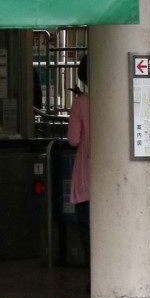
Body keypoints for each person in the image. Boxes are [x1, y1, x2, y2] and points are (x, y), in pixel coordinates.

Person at [65, 55, 91, 266]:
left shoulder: (80, 103)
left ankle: (94, 275)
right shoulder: (119, 100)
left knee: (88, 228)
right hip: (114, 178)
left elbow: (73, 140)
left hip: (87, 178)